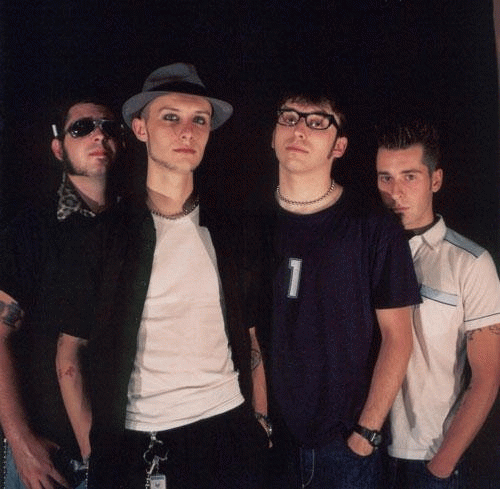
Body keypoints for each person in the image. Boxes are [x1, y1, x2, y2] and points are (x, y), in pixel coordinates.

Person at [55, 63, 270, 489]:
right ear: (141, 129)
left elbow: (249, 337)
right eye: (170, 117)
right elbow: (68, 356)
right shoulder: (104, 235)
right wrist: (95, 455)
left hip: (228, 432)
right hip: (143, 441)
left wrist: (260, 422)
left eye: (199, 120)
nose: (187, 131)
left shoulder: (229, 231)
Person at [265, 87, 421, 489]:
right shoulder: (252, 223)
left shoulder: (374, 227)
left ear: (339, 146)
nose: (299, 129)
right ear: (273, 134)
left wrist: (366, 433)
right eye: (289, 118)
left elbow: (398, 337)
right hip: (271, 444)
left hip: (345, 446)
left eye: (317, 122)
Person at [0, 98, 123, 489]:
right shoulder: (32, 230)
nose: (98, 135)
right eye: (81, 128)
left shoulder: (134, 227)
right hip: (48, 457)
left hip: (119, 452)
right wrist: (21, 442)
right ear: (58, 148)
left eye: (107, 127)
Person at [376, 118, 500, 488]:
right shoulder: (364, 255)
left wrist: (442, 464)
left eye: (410, 177)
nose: (396, 191)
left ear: (436, 180)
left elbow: (487, 377)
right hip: (365, 450)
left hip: (430, 457)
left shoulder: (470, 263)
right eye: (385, 178)